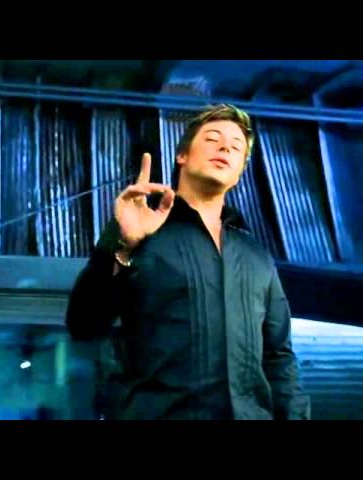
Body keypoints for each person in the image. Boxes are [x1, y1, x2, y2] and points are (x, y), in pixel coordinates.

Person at [66, 104, 310, 420]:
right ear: (182, 155)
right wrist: (122, 244)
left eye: (236, 146)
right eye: (212, 138)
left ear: (239, 172)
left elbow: (279, 357)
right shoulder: (142, 235)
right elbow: (84, 324)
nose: (225, 147)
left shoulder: (257, 256)